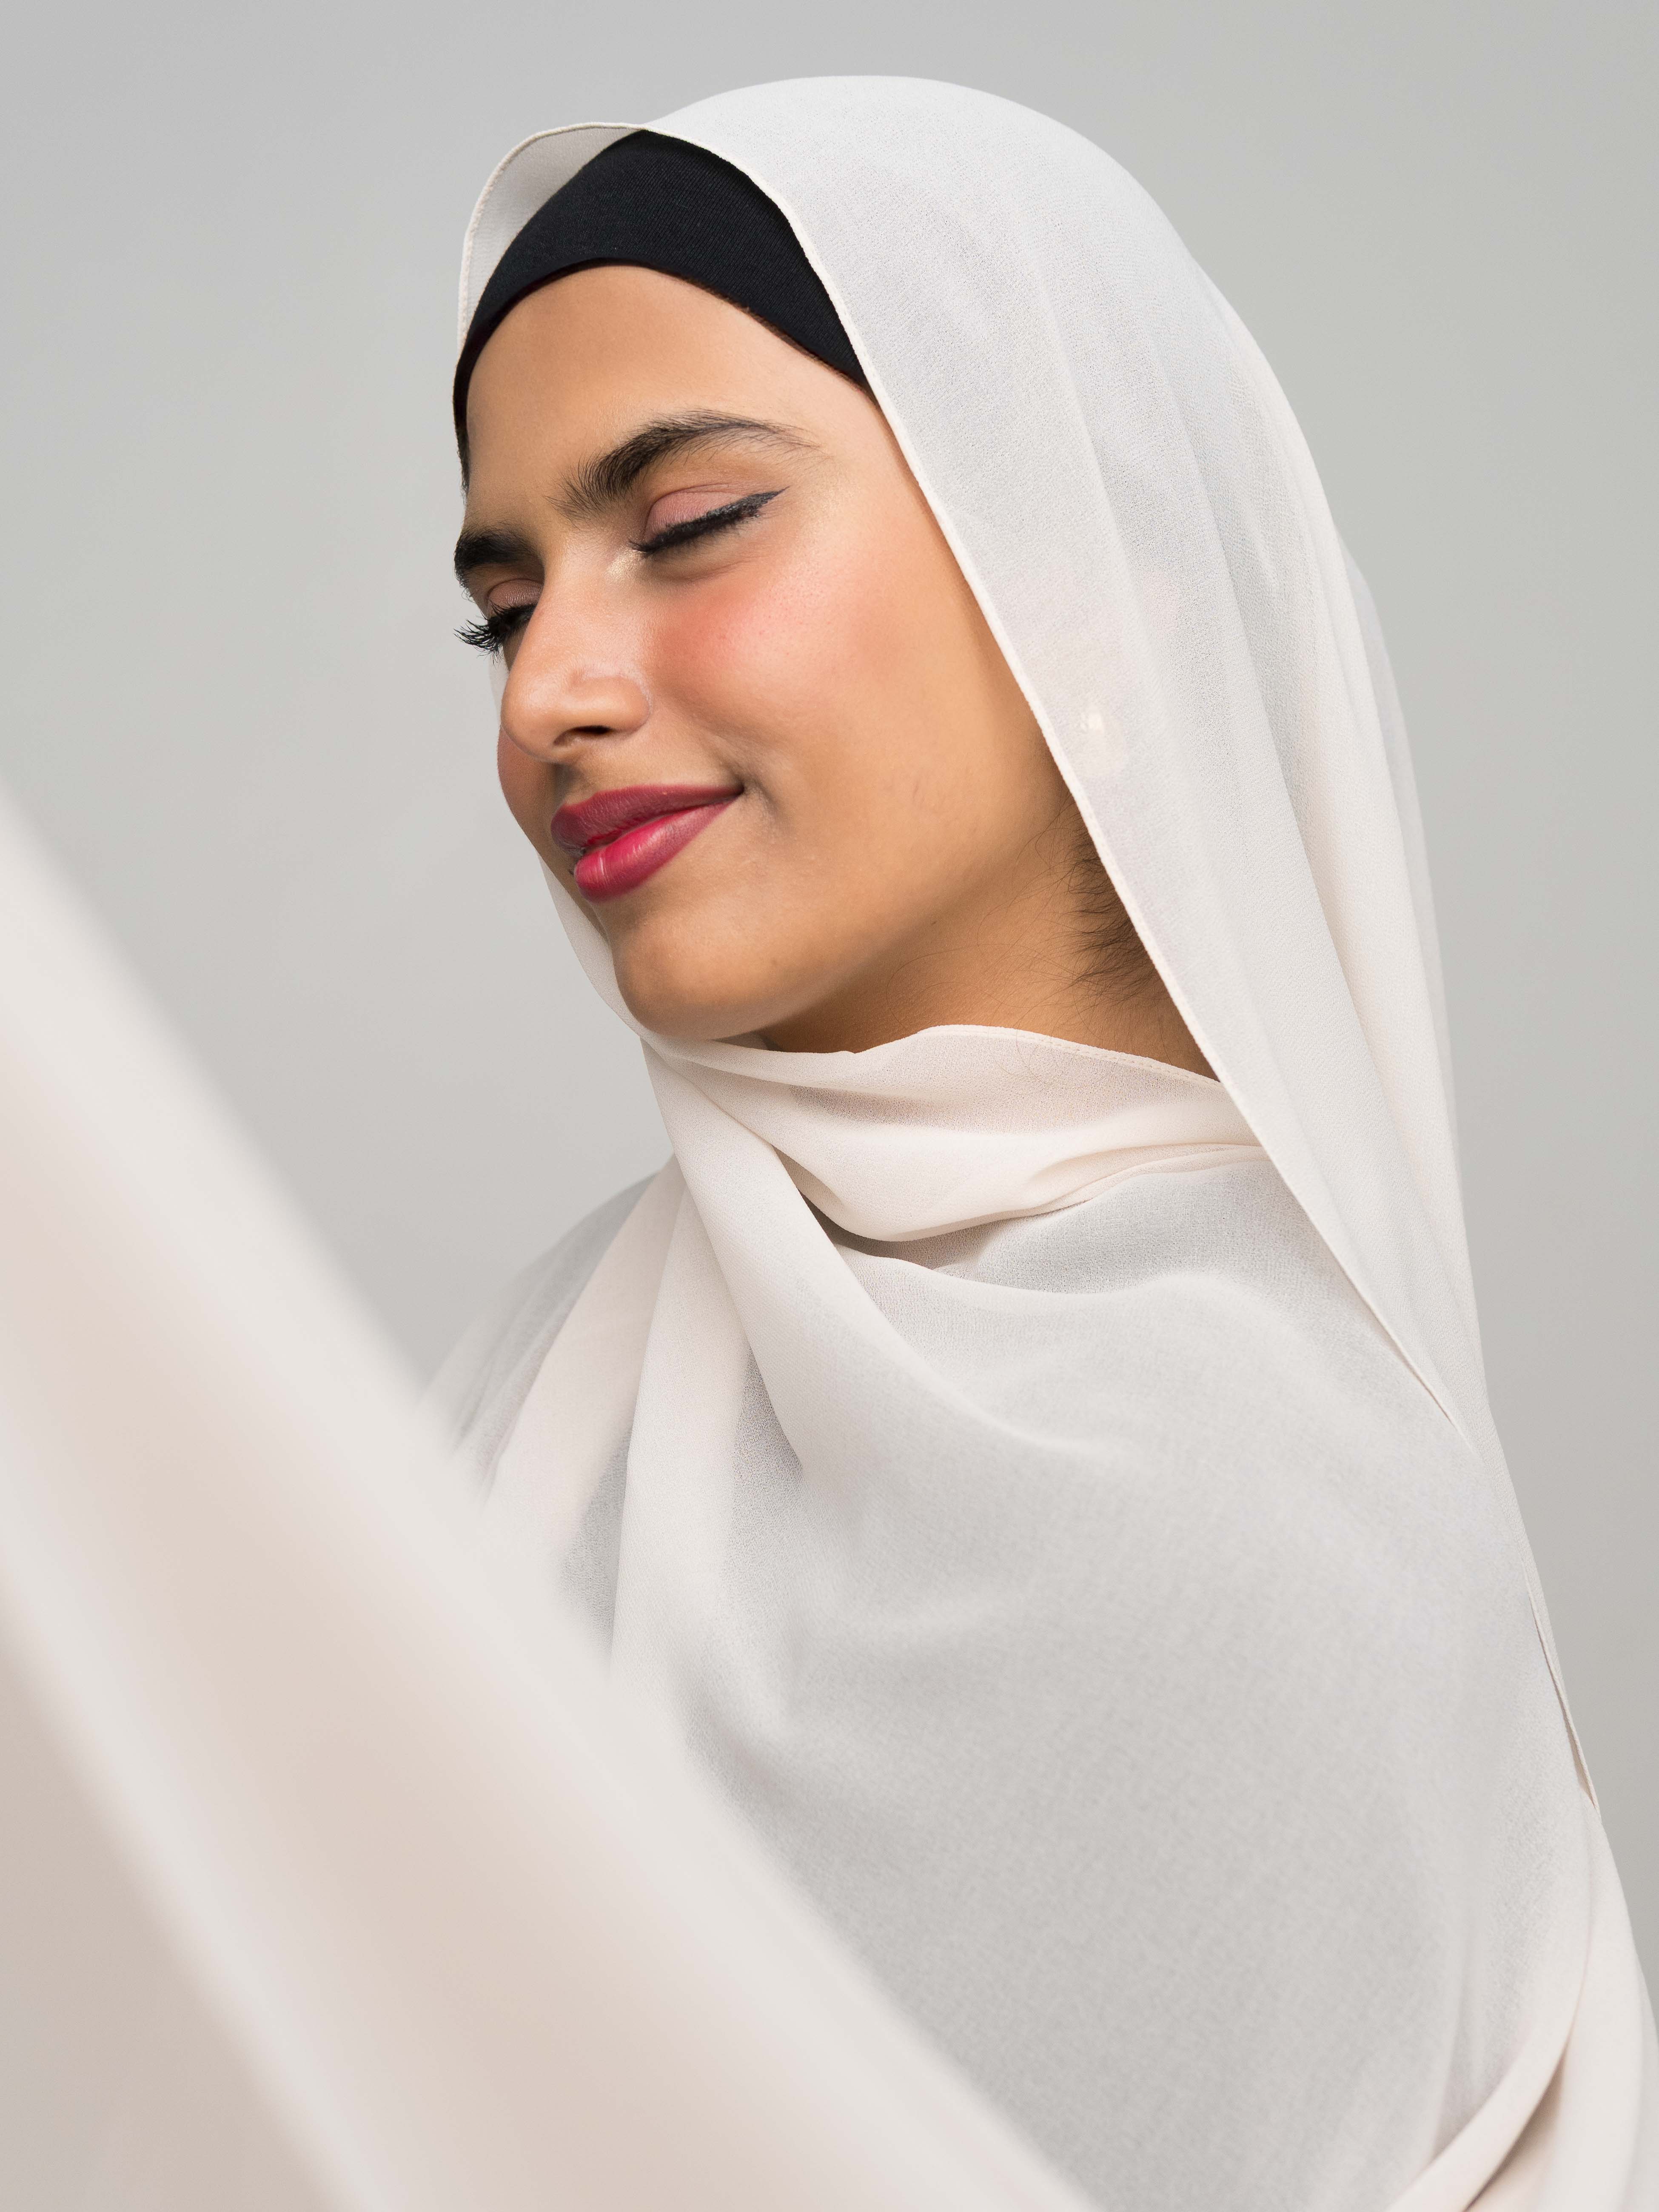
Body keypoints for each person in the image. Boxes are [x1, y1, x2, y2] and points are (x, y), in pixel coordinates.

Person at [439, 83, 1657, 2209]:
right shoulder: (553, 1372)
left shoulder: (1260, 1509)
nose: (549, 689)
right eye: (505, 603)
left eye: (691, 521)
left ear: (1082, 580)